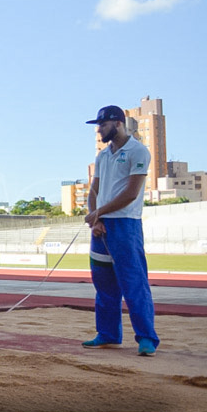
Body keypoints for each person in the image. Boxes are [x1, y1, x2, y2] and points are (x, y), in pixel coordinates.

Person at [82, 105, 159, 357]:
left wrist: (99, 212)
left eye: (102, 125)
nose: (99, 130)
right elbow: (94, 190)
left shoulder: (138, 151)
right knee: (103, 284)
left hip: (125, 224)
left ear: (117, 123)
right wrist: (96, 220)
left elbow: (131, 193)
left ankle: (146, 338)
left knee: (133, 282)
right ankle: (108, 334)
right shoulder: (103, 156)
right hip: (101, 227)